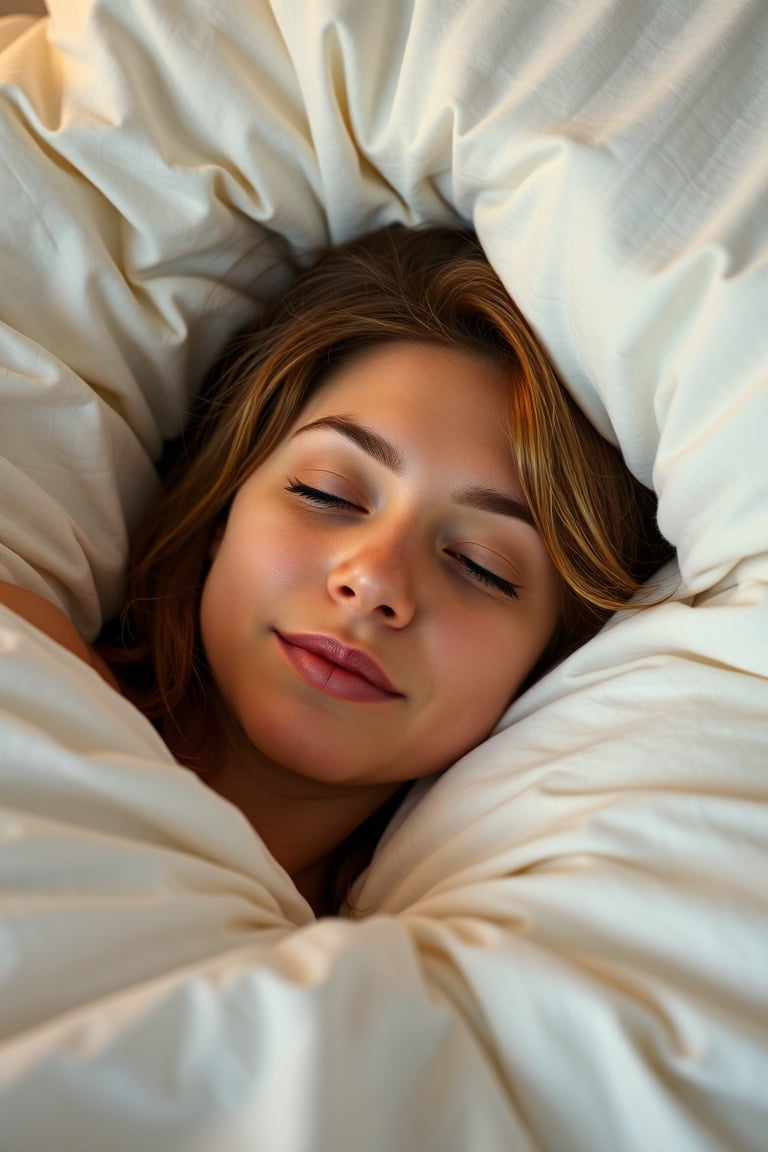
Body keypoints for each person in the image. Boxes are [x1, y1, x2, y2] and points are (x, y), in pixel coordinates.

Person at [0, 224, 673, 914]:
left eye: (482, 567)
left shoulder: (441, 979)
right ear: (225, 506)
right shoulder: (21, 658)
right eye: (328, 493)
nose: (374, 580)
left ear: (546, 662)